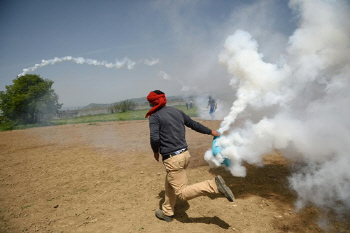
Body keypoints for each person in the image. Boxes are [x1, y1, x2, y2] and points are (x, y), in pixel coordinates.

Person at [145, 90, 234, 223]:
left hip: (172, 158)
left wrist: (155, 151)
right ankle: (167, 212)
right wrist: (211, 132)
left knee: (181, 193)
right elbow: (194, 125)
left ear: (151, 103)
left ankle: (213, 185)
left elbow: (154, 138)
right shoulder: (176, 111)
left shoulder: (155, 116)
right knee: (170, 182)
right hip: (185, 155)